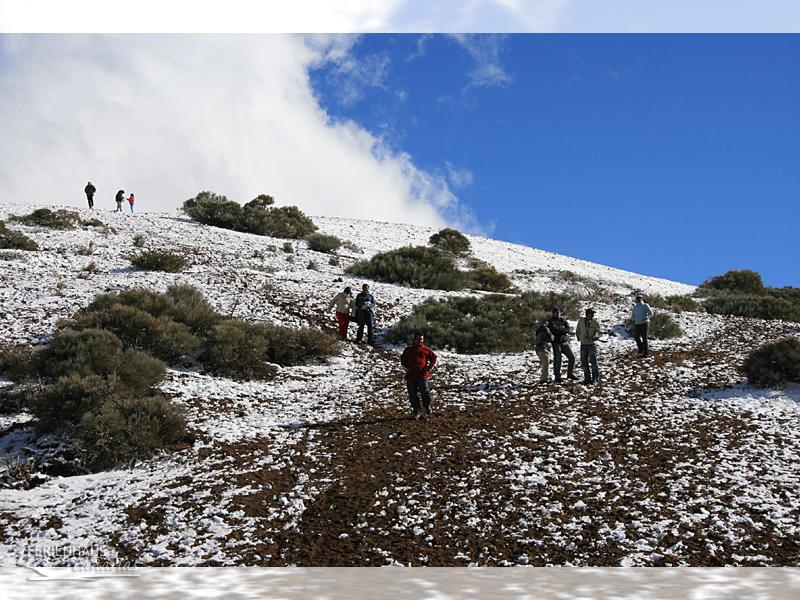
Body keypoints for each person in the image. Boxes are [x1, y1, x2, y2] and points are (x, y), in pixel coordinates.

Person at [400, 333, 438, 420]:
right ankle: (416, 411)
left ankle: (427, 405)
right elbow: (403, 359)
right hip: (411, 375)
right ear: (414, 340)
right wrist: (406, 368)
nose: (420, 341)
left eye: (421, 339)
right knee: (412, 393)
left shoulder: (425, 350)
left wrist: (429, 367)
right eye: (418, 339)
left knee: (425, 391)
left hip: (422, 375)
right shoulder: (408, 350)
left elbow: (434, 357)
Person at [547, 307, 577, 383]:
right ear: (553, 313)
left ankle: (570, 374)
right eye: (556, 312)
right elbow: (554, 330)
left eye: (559, 312)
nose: (558, 313)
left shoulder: (563, 320)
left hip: (564, 342)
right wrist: (563, 330)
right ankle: (557, 376)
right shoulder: (551, 321)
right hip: (556, 343)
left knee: (572, 357)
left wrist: (562, 330)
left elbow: (568, 329)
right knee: (558, 360)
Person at [576, 308, 602, 385]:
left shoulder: (595, 322)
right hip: (583, 345)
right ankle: (587, 379)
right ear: (587, 314)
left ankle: (595, 379)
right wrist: (579, 338)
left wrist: (596, 337)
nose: (593, 315)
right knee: (584, 363)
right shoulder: (581, 321)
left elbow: (600, 332)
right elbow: (577, 330)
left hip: (591, 345)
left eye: (593, 314)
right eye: (591, 314)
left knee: (593, 362)